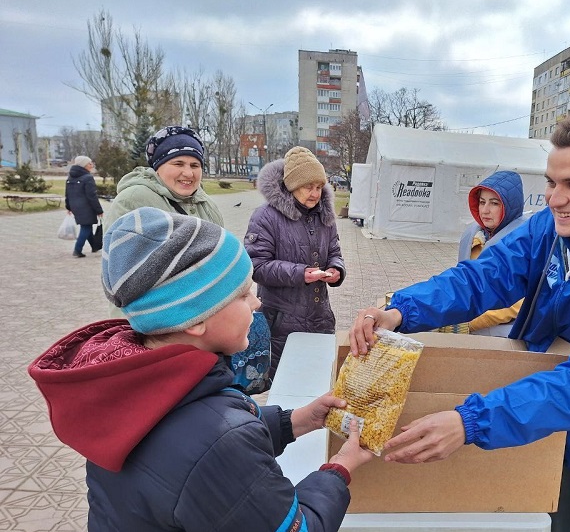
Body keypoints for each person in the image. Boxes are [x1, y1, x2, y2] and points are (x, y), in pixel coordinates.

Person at [349, 112, 570, 532]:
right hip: (548, 419)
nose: (556, 199)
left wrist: (472, 422)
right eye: (552, 182)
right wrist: (401, 309)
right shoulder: (554, 229)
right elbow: (484, 277)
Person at [29, 207, 373, 531]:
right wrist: (339, 468)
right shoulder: (220, 439)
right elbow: (217, 450)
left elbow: (191, 453)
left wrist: (298, 420)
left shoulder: (129, 380)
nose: (257, 303)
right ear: (195, 319)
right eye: (243, 295)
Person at [245, 146, 345, 381]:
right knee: (283, 383)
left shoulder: (324, 216)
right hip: (281, 321)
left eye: (319, 187)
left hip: (320, 318)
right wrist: (301, 273)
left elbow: (335, 251)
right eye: (308, 187)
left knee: (317, 382)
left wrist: (336, 269)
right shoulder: (266, 216)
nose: (315, 194)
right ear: (292, 185)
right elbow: (257, 266)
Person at [104, 126, 224, 229]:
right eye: (178, 164)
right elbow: (117, 248)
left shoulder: (207, 203)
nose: (188, 173)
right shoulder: (132, 201)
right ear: (157, 168)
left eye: (194, 165)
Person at [456, 170, 526, 336]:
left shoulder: (523, 242)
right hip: (470, 324)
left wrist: (469, 323)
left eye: (494, 203)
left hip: (508, 331)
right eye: (482, 202)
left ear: (510, 206)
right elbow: (461, 284)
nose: (485, 210)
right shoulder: (474, 237)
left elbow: (521, 302)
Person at [65, 155, 103, 257]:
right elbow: (92, 196)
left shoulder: (70, 177)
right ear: (84, 165)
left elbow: (67, 194)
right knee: (86, 227)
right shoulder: (88, 178)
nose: (92, 165)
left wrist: (68, 207)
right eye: (89, 163)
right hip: (86, 207)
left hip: (75, 206)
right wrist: (99, 210)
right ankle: (77, 250)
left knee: (87, 226)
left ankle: (94, 246)